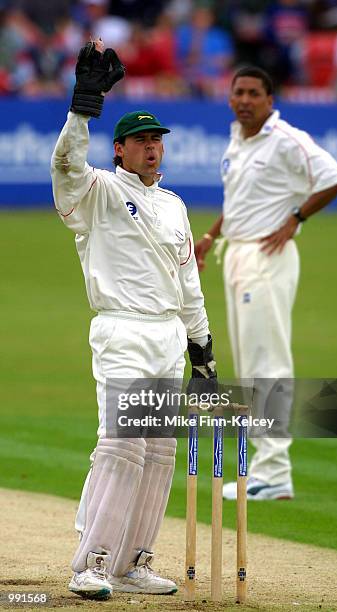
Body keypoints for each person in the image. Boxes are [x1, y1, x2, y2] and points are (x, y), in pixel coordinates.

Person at [51, 39, 217, 600]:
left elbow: (187, 279)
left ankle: (132, 562)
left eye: (157, 141)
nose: (153, 149)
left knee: (159, 452)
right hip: (121, 329)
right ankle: (90, 562)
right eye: (142, 141)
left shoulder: (173, 205)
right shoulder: (97, 190)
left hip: (170, 335)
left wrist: (203, 345)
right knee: (122, 445)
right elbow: (66, 165)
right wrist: (83, 106)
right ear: (119, 149)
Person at [195, 66, 337, 501]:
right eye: (237, 92)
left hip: (268, 258)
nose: (244, 100)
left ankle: (275, 472)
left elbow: (336, 176)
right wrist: (211, 235)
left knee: (268, 362)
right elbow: (239, 201)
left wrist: (296, 218)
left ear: (269, 99)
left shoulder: (286, 139)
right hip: (238, 254)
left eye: (253, 93)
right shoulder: (236, 141)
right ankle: (263, 468)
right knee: (248, 364)